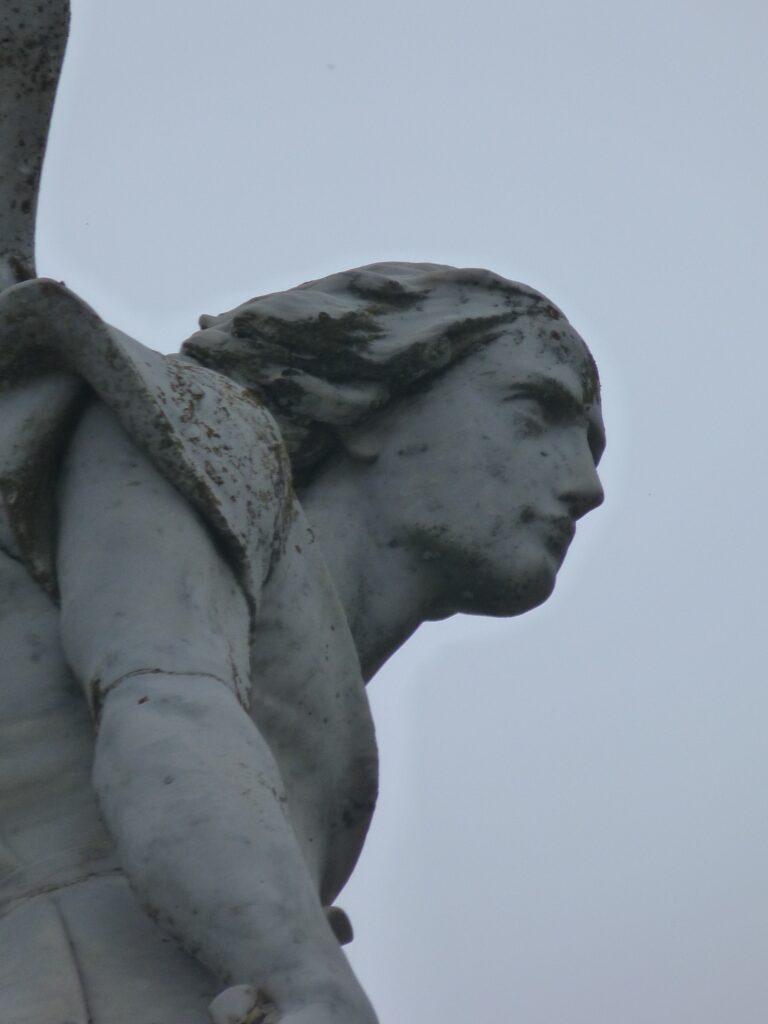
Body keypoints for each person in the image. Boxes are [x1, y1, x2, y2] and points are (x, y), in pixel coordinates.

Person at [0, 261, 604, 1024]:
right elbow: (164, 709)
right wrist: (303, 975)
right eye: (533, 410)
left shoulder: (334, 737)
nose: (586, 485)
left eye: (590, 446)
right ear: (377, 405)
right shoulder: (201, 430)